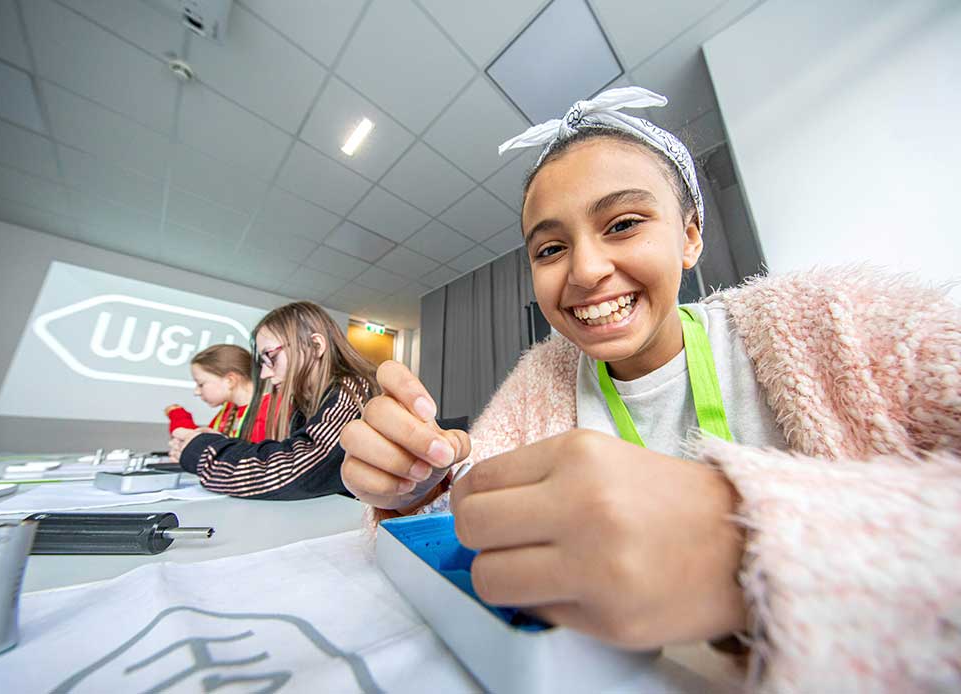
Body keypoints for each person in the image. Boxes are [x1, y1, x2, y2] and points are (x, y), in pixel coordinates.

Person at [339, 87, 961, 691]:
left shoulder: (833, 323)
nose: (584, 270)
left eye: (624, 223)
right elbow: (469, 514)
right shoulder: (539, 383)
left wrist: (748, 547)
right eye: (551, 248)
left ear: (690, 235)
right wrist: (421, 485)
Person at [169, 301, 377, 500]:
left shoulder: (352, 389)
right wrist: (220, 443)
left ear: (315, 346)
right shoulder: (305, 404)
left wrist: (205, 452)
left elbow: (295, 471)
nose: (264, 374)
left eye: (271, 357)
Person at [164, 344, 270, 442]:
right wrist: (178, 415)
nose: (196, 392)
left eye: (201, 384)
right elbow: (200, 442)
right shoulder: (229, 409)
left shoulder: (267, 412)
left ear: (230, 380)